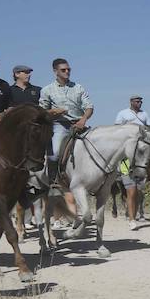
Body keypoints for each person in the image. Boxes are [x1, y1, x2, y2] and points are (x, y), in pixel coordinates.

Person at [39, 58, 94, 221]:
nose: (67, 72)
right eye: (63, 70)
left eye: (68, 69)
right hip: (60, 125)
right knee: (54, 153)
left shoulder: (78, 87)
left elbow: (89, 106)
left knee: (97, 146)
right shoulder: (47, 90)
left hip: (79, 123)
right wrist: (53, 111)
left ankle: (99, 180)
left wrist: (84, 119)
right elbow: (42, 111)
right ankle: (54, 180)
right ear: (55, 71)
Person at [115, 96, 150, 223]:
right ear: (131, 102)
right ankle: (119, 172)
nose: (139, 103)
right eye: (137, 101)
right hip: (128, 143)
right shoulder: (122, 113)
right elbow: (117, 129)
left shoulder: (144, 114)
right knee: (122, 158)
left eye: (141, 101)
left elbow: (149, 127)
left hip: (141, 143)